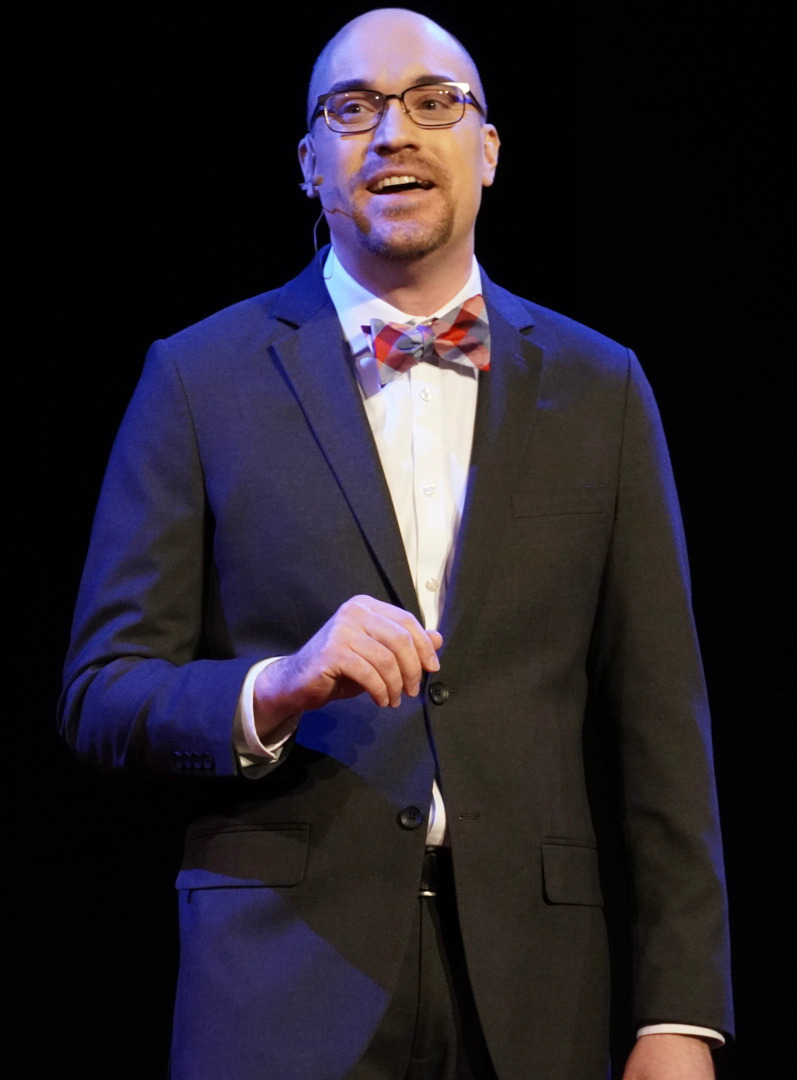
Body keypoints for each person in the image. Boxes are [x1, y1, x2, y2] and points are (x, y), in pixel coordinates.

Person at [60, 8, 733, 1079]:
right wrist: (274, 685)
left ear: (488, 148)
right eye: (352, 109)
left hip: (536, 989)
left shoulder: (601, 388)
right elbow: (101, 693)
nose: (392, 133)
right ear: (309, 164)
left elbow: (661, 726)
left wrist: (679, 1014)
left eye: (432, 102)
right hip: (279, 989)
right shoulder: (197, 378)